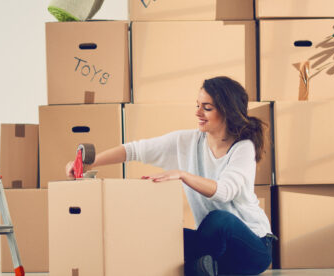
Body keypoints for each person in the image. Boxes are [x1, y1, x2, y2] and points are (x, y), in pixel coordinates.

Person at [65, 76, 275, 276]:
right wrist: (87, 162)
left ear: (228, 112)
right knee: (162, 236)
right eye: (197, 105)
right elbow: (135, 150)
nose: (198, 112)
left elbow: (225, 191)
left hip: (252, 248)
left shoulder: (243, 148)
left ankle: (200, 267)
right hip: (212, 247)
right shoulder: (187, 141)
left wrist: (183, 175)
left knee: (218, 220)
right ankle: (205, 268)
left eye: (207, 108)